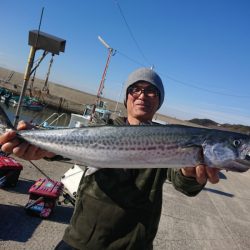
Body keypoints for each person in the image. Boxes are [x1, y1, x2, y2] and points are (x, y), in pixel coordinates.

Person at [0, 67, 220, 250]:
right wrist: (41, 146)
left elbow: (184, 183)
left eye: (151, 91)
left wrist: (190, 175)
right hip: (82, 238)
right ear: (126, 97)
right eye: (135, 89)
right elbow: (65, 147)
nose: (142, 95)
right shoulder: (104, 128)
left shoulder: (168, 138)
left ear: (159, 101)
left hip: (135, 244)